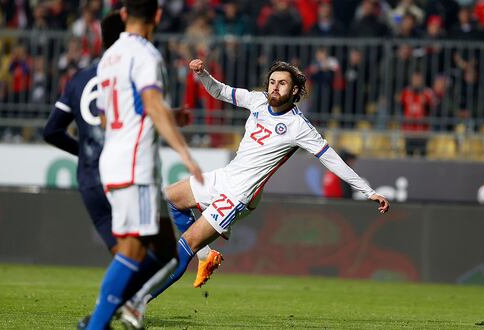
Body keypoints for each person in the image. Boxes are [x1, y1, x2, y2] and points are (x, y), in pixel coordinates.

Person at [123, 59, 390, 327]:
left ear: (295, 91)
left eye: (282, 84)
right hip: (225, 177)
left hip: (240, 194)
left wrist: (367, 190)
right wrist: (203, 74)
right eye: (273, 82)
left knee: (187, 242)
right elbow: (221, 91)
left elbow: (331, 159)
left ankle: (138, 303)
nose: (275, 88)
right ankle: (206, 255)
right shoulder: (258, 101)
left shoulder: (299, 127)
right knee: (172, 197)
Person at [82, 1, 203, 329]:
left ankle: (101, 317)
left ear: (123, 15)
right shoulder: (147, 54)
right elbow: (150, 102)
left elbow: (108, 116)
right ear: (158, 16)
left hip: (115, 158)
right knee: (134, 249)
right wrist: (185, 154)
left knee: (165, 250)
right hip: (136, 165)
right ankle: (96, 324)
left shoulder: (108, 57)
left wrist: (169, 115)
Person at [43, 10, 125, 255]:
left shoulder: (80, 78)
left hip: (90, 178)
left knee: (124, 256)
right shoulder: (130, 73)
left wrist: (83, 152)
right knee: (152, 252)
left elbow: (51, 130)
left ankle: (119, 294)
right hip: (122, 174)